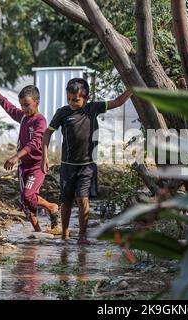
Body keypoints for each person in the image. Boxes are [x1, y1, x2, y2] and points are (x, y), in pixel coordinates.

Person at [41, 78, 132, 244]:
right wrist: (44, 156)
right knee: (66, 201)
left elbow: (118, 102)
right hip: (68, 166)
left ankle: (82, 236)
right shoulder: (62, 112)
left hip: (87, 166)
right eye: (69, 99)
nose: (71, 103)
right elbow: (47, 133)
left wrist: (133, 87)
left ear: (86, 98)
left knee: (83, 199)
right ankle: (65, 234)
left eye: (75, 100)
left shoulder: (93, 108)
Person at [0, 84, 59, 232]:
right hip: (23, 166)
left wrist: (16, 156)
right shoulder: (24, 117)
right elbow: (11, 110)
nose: (24, 109)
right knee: (25, 204)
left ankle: (51, 207)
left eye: (27, 105)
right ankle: (38, 233)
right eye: (22, 105)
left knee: (28, 196)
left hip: (36, 166)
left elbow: (35, 143)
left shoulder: (40, 121)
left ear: (37, 102)